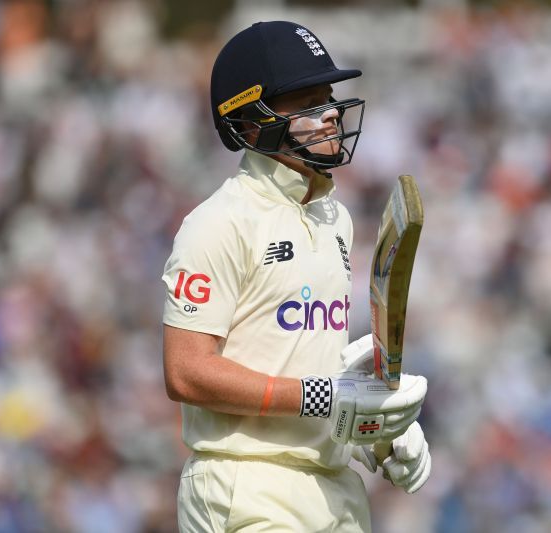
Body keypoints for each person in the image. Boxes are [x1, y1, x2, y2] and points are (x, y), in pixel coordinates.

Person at [161, 21, 431, 532]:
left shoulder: (335, 219)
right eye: (306, 100)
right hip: (245, 483)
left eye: (328, 97)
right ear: (251, 119)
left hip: (334, 488)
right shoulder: (218, 223)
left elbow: (308, 359)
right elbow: (186, 372)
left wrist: (375, 429)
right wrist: (327, 398)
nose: (330, 112)